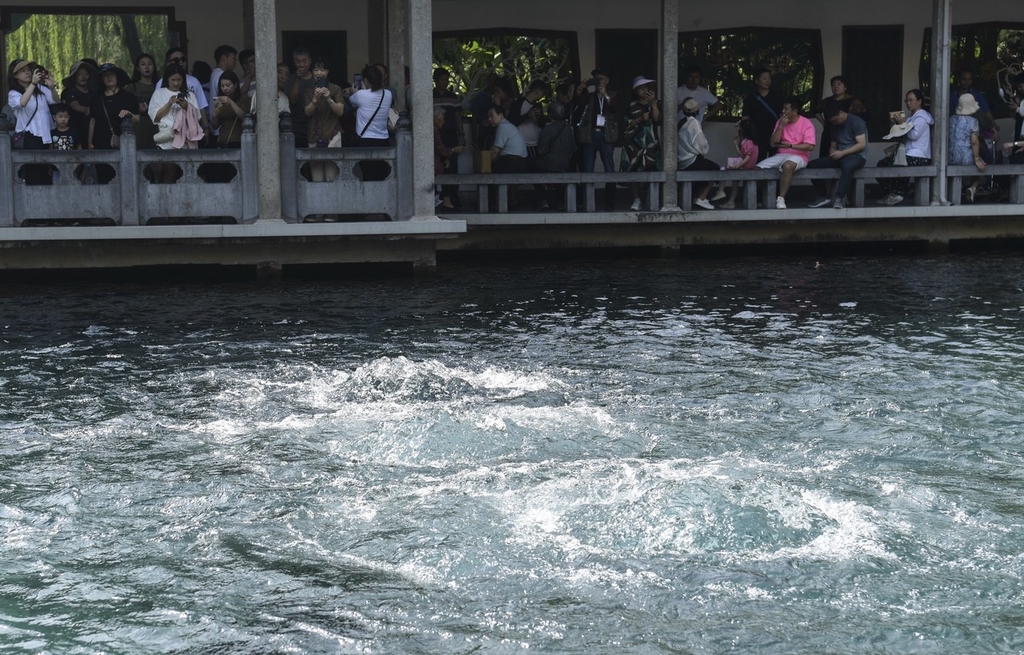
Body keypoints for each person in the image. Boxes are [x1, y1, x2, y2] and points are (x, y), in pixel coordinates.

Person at [756, 96, 816, 210]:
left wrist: (790, 146)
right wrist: (781, 126)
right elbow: (773, 143)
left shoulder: (806, 123)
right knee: (757, 168)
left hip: (800, 156)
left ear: (794, 111)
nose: (783, 111)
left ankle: (781, 199)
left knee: (788, 166)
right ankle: (761, 198)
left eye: (786, 109)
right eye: (783, 108)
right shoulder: (780, 122)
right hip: (781, 154)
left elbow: (810, 146)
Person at [876, 89, 934, 206]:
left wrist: (902, 124)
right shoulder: (910, 117)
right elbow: (900, 135)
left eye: (911, 100)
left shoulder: (921, 118)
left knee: (886, 165)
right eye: (906, 100)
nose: (908, 103)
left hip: (918, 155)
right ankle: (897, 192)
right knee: (883, 165)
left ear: (919, 101)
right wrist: (895, 123)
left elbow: (913, 135)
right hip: (909, 153)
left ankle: (898, 193)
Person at [149, 62, 204, 182]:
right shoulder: (159, 93)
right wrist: (168, 104)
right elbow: (155, 118)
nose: (176, 83)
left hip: (185, 143)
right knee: (166, 173)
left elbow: (197, 119)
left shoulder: (190, 95)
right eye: (173, 79)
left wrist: (187, 107)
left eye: (179, 80)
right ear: (167, 79)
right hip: (166, 141)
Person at [806, 106, 868, 209]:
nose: (835, 123)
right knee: (812, 165)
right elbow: (833, 146)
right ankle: (822, 195)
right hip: (840, 154)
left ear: (841, 113)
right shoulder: (834, 126)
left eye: (836, 120)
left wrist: (843, 153)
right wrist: (833, 154)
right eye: (832, 122)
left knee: (848, 167)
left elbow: (861, 144)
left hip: (857, 156)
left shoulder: (856, 122)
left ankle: (839, 198)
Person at [576, 68, 621, 210]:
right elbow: (577, 103)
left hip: (606, 135)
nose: (599, 82)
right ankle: (588, 201)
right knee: (588, 168)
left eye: (601, 79)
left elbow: (615, 108)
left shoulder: (613, 95)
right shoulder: (589, 96)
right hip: (590, 135)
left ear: (607, 81)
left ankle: (610, 201)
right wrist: (581, 88)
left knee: (609, 168)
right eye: (596, 79)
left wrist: (605, 95)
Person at [343, 64, 393, 181]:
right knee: (380, 175)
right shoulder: (388, 94)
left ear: (365, 80)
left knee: (367, 175)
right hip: (383, 141)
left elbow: (350, 104)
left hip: (365, 141)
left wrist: (353, 91)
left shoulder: (360, 95)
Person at [621, 76, 661, 211]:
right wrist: (639, 119)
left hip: (650, 141)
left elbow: (657, 119)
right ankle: (636, 199)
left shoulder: (655, 103)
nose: (644, 91)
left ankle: (652, 198)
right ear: (635, 91)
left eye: (646, 88)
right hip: (634, 141)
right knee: (634, 169)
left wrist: (654, 103)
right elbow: (626, 124)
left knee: (652, 167)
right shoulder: (631, 106)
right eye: (641, 89)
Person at [303, 58, 345, 182]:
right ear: (312, 72)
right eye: (316, 70)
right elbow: (307, 112)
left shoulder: (336, 89)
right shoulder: (308, 91)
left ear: (327, 72)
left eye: (322, 70)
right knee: (316, 177)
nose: (319, 73)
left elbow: (340, 112)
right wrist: (315, 99)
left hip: (332, 135)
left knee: (331, 175)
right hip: (313, 135)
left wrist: (328, 98)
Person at [676, 97, 721, 210]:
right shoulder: (694, 122)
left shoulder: (681, 123)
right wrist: (703, 150)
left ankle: (697, 197)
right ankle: (701, 198)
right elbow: (701, 144)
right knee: (714, 168)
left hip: (681, 160)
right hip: (690, 160)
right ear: (698, 111)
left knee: (704, 165)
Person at [155, 48, 210, 139]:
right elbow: (157, 111)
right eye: (176, 60)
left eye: (183, 59)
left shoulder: (194, 81)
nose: (180, 62)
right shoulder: (161, 83)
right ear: (168, 63)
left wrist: (206, 128)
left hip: (191, 131)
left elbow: (201, 106)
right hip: (169, 132)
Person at [433, 67, 466, 208]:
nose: (445, 83)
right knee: (434, 167)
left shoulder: (452, 97)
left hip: (450, 135)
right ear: (435, 80)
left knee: (452, 167)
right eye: (442, 80)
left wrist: (461, 134)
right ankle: (435, 198)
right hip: (435, 135)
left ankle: (453, 197)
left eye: (447, 80)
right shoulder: (429, 96)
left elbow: (458, 117)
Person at [534, 101, 576, 209]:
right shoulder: (569, 130)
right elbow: (572, 150)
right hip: (564, 164)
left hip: (548, 165)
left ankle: (542, 201)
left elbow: (540, 150)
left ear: (550, 114)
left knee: (533, 171)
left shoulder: (547, 130)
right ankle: (560, 202)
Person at [814, 75, 869, 159]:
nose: (836, 87)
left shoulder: (853, 101)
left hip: (846, 133)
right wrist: (823, 123)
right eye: (833, 85)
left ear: (845, 87)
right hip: (829, 131)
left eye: (839, 84)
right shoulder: (827, 101)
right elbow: (816, 111)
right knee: (826, 155)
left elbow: (864, 115)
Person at [948, 93, 987, 203]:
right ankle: (973, 188)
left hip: (951, 156)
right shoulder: (973, 122)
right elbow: (974, 141)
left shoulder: (951, 119)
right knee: (983, 167)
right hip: (966, 157)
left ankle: (959, 191)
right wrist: (977, 159)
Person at [742, 67, 783, 162]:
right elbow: (745, 118)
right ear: (757, 81)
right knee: (758, 161)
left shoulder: (778, 97)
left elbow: (783, 115)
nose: (767, 81)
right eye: (764, 79)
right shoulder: (750, 99)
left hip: (775, 134)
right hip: (757, 136)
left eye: (769, 78)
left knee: (775, 161)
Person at [719, 118, 759, 209]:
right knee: (735, 181)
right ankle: (730, 201)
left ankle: (721, 190)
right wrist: (736, 145)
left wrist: (738, 166)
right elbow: (742, 155)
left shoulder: (748, 143)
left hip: (745, 167)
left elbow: (746, 158)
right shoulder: (751, 142)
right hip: (747, 166)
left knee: (723, 169)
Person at [433, 106, 465, 210]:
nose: (444, 122)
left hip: (435, 160)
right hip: (432, 164)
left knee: (447, 165)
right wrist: (453, 150)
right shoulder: (434, 132)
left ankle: (446, 200)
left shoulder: (434, 131)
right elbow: (441, 149)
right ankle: (447, 201)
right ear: (437, 120)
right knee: (448, 170)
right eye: (442, 120)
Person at [507, 79, 548, 161]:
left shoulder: (538, 105)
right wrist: (527, 116)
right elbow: (511, 122)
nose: (542, 96)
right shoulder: (519, 103)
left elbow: (542, 125)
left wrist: (539, 117)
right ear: (537, 91)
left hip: (534, 143)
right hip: (521, 143)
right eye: (542, 93)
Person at [60, 60, 96, 144]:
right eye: (80, 74)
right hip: (76, 132)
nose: (83, 77)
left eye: (86, 74)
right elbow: (74, 105)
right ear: (74, 77)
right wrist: (84, 109)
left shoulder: (93, 93)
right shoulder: (70, 93)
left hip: (93, 132)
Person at [127, 53, 158, 150]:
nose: (147, 67)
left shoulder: (159, 86)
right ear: (137, 68)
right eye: (143, 64)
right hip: (138, 127)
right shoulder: (131, 87)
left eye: (150, 64)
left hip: (156, 126)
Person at [286, 46, 314, 148]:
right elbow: (292, 100)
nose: (301, 65)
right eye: (298, 61)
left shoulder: (316, 78)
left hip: (315, 128)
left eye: (304, 61)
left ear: (310, 61)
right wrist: (298, 79)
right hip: (296, 128)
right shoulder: (291, 79)